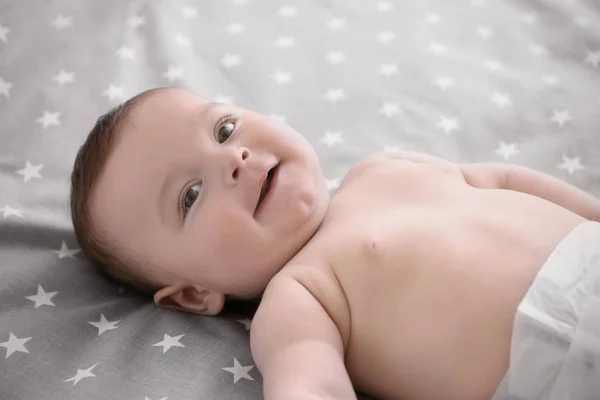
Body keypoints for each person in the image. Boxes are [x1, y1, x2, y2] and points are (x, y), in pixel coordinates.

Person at [70, 87, 600, 400]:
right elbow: (310, 384)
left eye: (224, 129)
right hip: (561, 364)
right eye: (189, 195)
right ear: (192, 294)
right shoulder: (300, 296)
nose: (233, 160)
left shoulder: (385, 166)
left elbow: (507, 180)